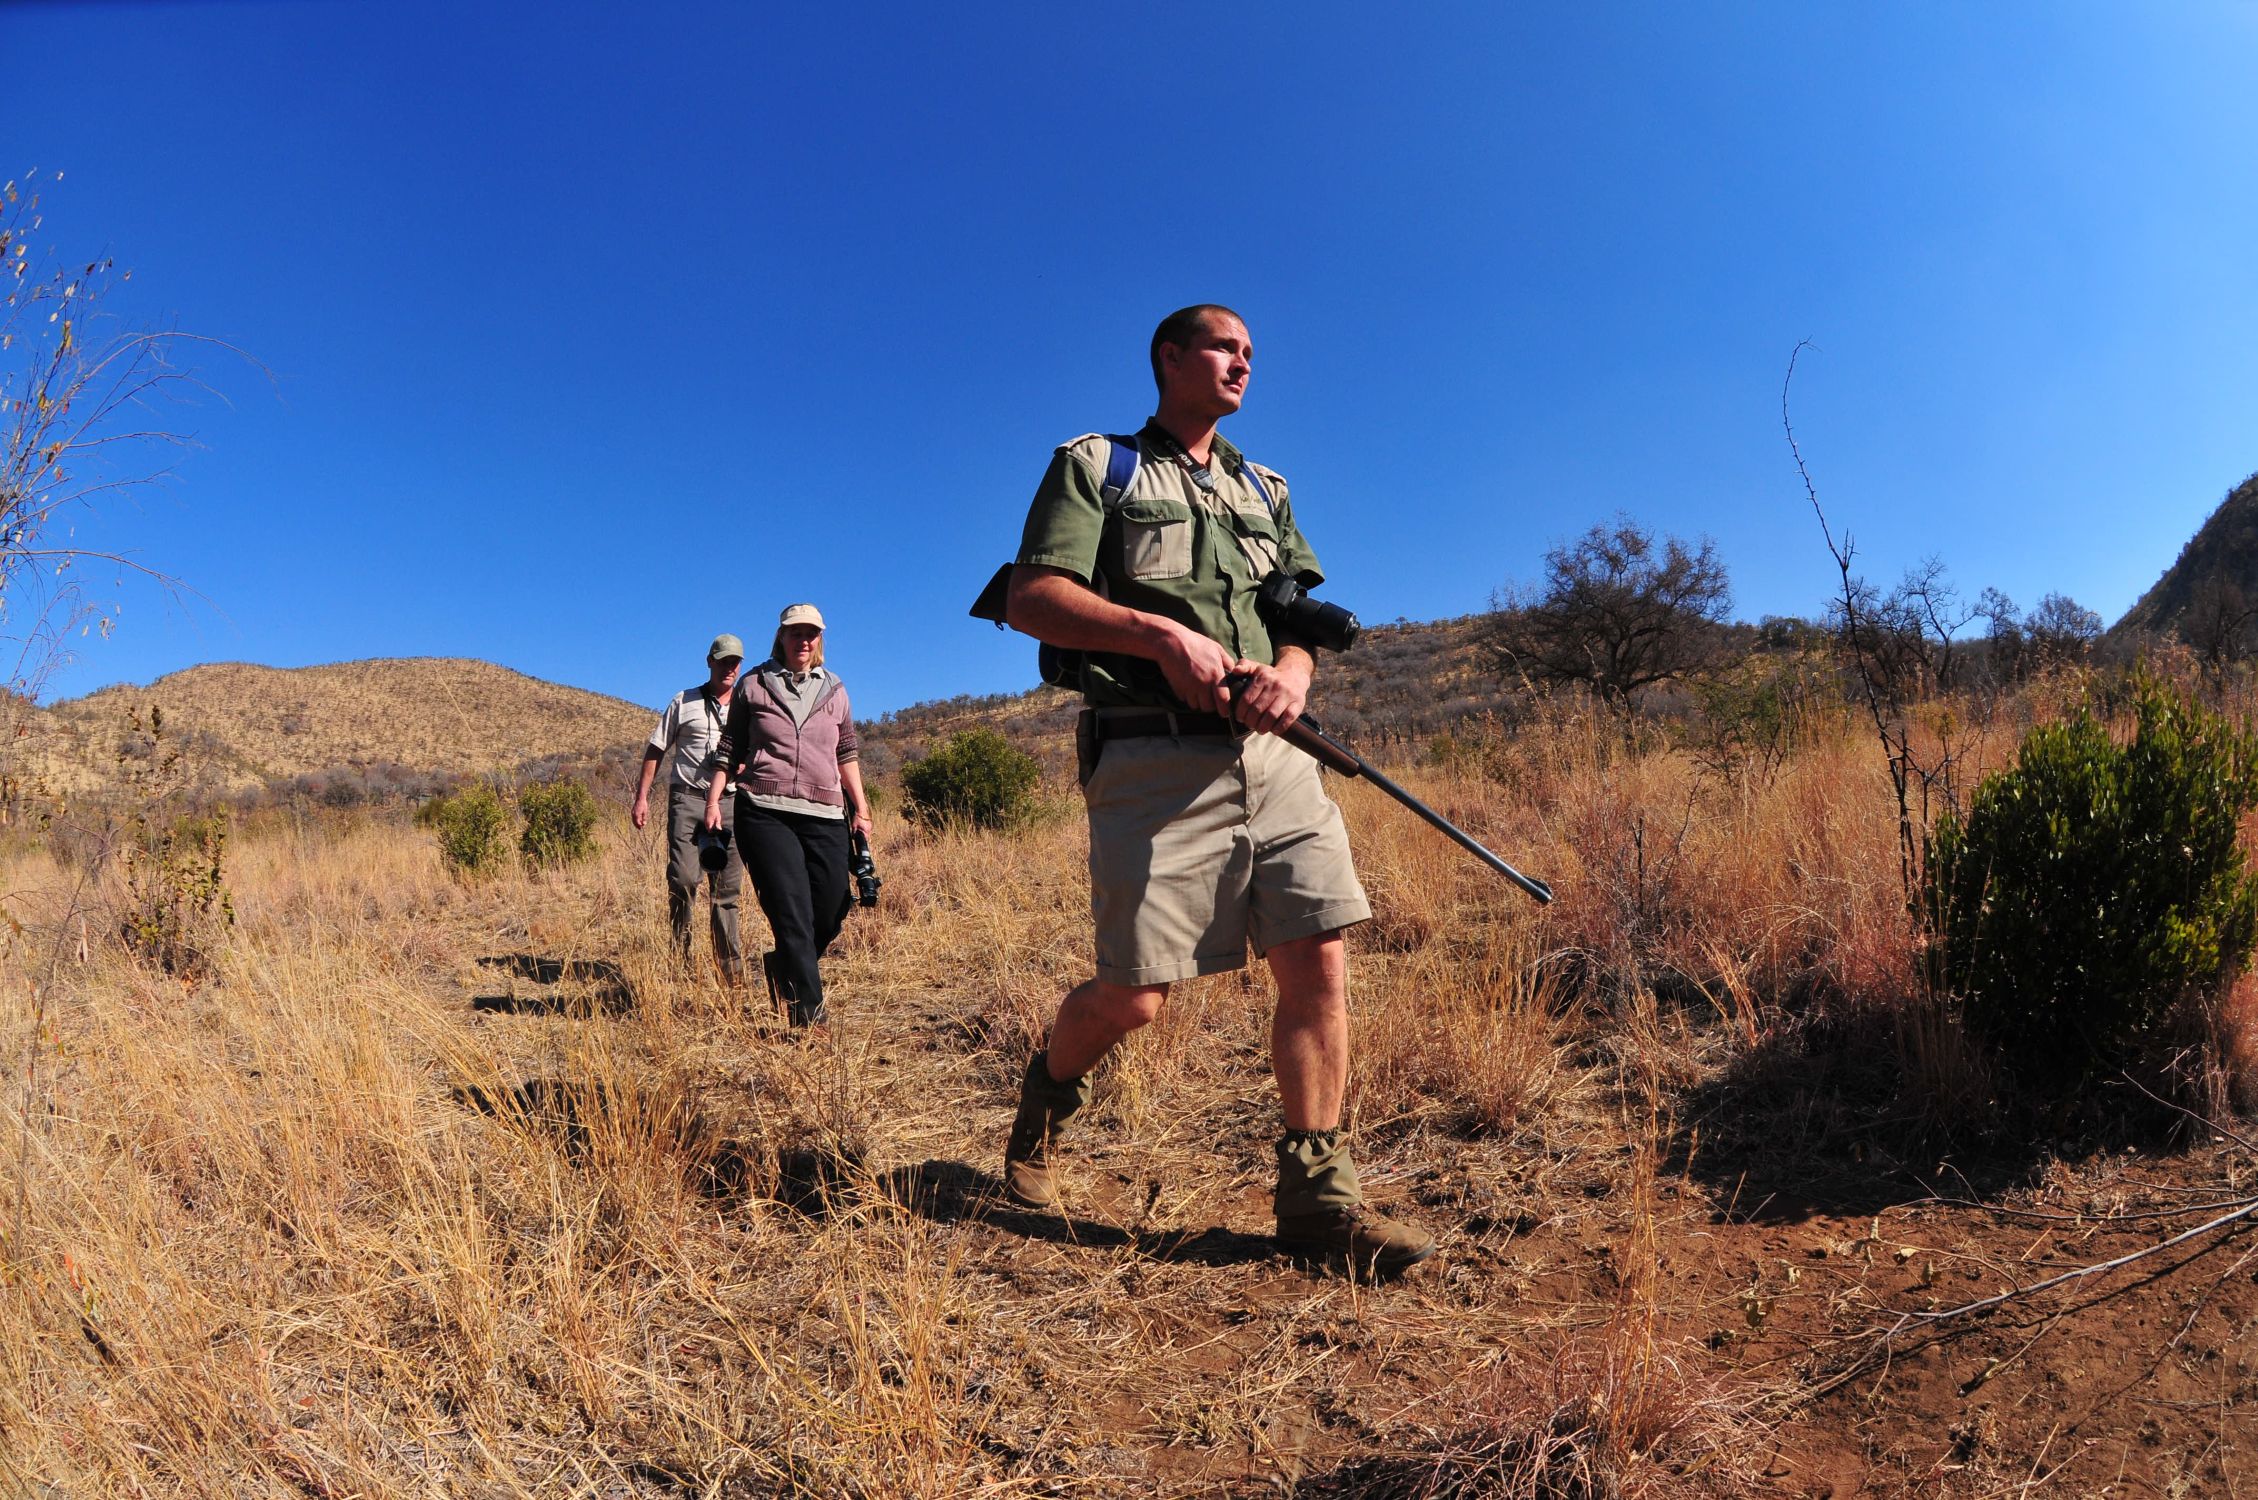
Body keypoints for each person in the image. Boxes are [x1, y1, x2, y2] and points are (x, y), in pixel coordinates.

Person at [993, 304, 1436, 1278]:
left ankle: (1317, 1203)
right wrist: (1159, 637)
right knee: (1133, 997)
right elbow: (1033, 597)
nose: (1241, 364)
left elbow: (1300, 619)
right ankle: (1044, 1101)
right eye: (1222, 347)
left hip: (1278, 758)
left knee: (1317, 961)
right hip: (1149, 760)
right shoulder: (1098, 467)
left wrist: (1293, 677)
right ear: (1167, 357)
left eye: (1250, 355)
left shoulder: (1265, 488)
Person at [703, 603, 874, 1029]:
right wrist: (712, 801)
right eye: (796, 633)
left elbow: (846, 753)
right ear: (780, 636)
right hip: (765, 810)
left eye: (811, 633)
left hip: (827, 812)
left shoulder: (835, 689)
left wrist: (862, 809)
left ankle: (783, 966)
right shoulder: (754, 684)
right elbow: (730, 748)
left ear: (820, 639)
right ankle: (808, 1020)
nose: (804, 640)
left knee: (834, 905)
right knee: (792, 912)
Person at [632, 633, 746, 979]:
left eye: (735, 662)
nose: (729, 667)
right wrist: (642, 796)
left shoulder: (747, 705)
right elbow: (656, 749)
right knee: (683, 879)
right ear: (709, 661)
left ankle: (731, 974)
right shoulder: (684, 701)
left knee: (727, 890)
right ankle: (679, 960)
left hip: (731, 802)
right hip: (688, 798)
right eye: (723, 660)